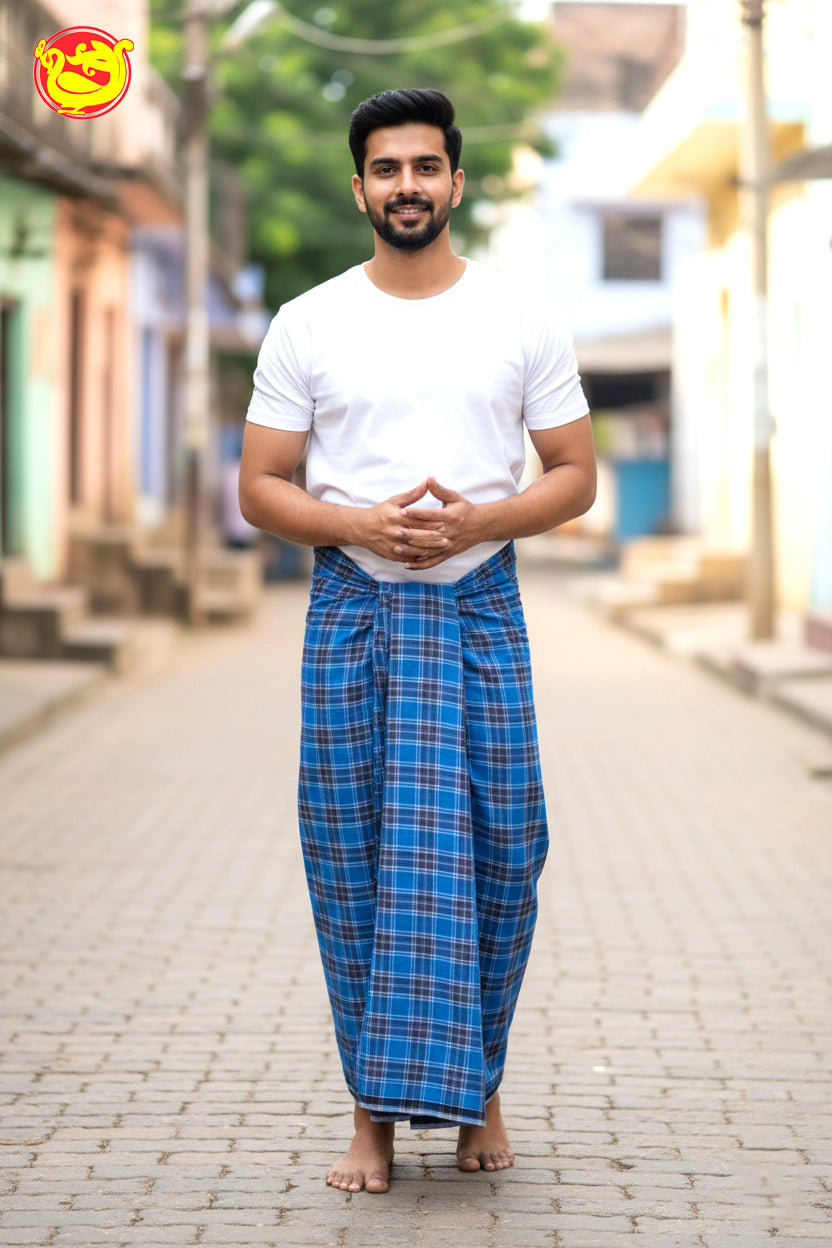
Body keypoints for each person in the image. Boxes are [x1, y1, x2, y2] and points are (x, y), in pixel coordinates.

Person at [239, 87, 596, 1194]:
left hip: (482, 606)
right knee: (355, 859)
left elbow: (576, 473)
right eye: (387, 169)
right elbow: (259, 485)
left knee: (501, 854)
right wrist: (355, 524)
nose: (407, 186)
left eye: (425, 167)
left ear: (455, 181)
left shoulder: (521, 318)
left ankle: (479, 1089)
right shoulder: (308, 322)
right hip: (352, 610)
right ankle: (373, 1122)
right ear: (360, 189)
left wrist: (482, 521)